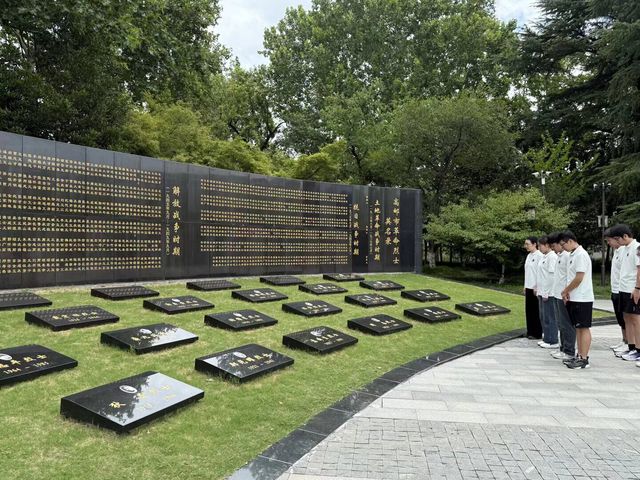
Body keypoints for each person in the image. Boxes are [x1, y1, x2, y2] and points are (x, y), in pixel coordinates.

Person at [559, 230, 594, 369]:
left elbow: (579, 277)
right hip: (575, 297)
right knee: (578, 328)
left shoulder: (581, 254)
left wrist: (566, 290)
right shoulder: (573, 254)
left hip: (582, 297)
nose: (563, 247)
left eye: (563, 244)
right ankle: (579, 355)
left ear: (570, 241)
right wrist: (567, 292)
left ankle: (584, 358)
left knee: (583, 327)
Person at [608, 224, 640, 361]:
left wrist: (637, 288)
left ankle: (639, 349)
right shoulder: (625, 249)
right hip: (623, 288)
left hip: (632, 289)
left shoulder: (637, 248)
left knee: (636, 319)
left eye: (617, 239)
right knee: (627, 318)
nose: (617, 242)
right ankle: (631, 347)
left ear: (625, 236)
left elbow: (639, 270)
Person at [549, 232, 575, 360]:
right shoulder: (559, 256)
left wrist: (566, 292)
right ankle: (563, 347)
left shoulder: (567, 256)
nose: (553, 248)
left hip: (563, 295)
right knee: (561, 324)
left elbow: (570, 276)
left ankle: (569, 350)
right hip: (557, 293)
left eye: (555, 245)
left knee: (566, 324)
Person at [604, 228, 626, 352]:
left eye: (609, 240)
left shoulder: (624, 251)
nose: (609, 243)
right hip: (615, 289)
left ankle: (628, 342)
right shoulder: (617, 252)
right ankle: (624, 340)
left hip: (622, 289)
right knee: (620, 318)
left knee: (625, 318)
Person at [523, 236, 543, 339]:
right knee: (529, 310)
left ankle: (537, 332)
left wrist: (537, 286)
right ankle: (530, 331)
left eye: (528, 244)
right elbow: (527, 272)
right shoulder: (528, 256)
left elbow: (540, 273)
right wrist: (525, 285)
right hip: (528, 286)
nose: (526, 246)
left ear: (534, 244)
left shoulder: (539, 256)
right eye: (525, 244)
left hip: (536, 288)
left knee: (536, 311)